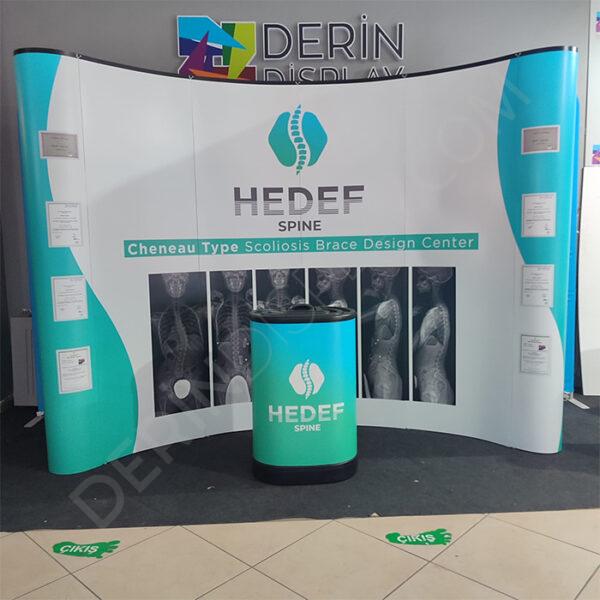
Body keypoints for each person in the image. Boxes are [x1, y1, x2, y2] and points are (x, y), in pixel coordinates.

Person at [413, 267, 454, 405]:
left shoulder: (435, 313)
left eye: (422, 280)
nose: (417, 284)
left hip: (433, 385)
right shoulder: (439, 310)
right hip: (431, 382)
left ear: (434, 283)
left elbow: (412, 346)